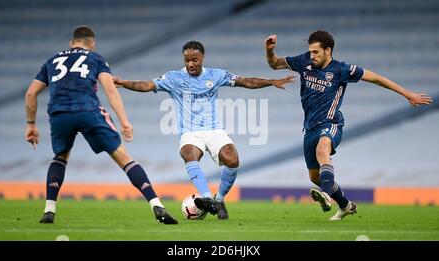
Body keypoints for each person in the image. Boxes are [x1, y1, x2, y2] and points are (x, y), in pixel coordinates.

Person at [114, 40, 294, 219]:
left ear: (202, 58)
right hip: (190, 132)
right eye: (187, 60)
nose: (190, 64)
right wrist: (125, 83)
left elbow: (245, 81)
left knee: (233, 160)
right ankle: (207, 198)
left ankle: (219, 199)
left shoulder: (215, 75)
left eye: (194, 60)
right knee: (188, 153)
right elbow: (146, 85)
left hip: (214, 130)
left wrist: (272, 81)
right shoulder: (173, 78)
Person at [264, 30, 432, 220]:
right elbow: (274, 64)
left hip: (331, 122)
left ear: (328, 50)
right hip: (310, 128)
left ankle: (326, 195)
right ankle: (345, 205)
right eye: (310, 52)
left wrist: (407, 94)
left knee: (322, 150)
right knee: (314, 177)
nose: (312, 56)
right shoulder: (304, 62)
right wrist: (269, 51)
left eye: (316, 52)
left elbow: (377, 78)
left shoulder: (342, 69)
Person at [24, 25, 178, 225]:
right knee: (123, 157)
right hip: (88, 110)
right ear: (92, 44)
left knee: (61, 156)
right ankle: (157, 205)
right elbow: (110, 91)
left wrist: (31, 124)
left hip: (59, 112)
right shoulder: (95, 58)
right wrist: (124, 121)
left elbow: (30, 94)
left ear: (71, 43)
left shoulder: (53, 60)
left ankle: (49, 210)